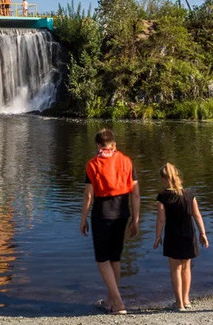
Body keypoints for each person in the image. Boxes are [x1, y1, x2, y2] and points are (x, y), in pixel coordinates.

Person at [80, 129, 140, 315]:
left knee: (102, 259)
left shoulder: (92, 164)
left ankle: (119, 303)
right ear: (113, 144)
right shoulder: (126, 161)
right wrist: (136, 219)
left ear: (98, 145)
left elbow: (88, 196)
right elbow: (136, 194)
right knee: (115, 258)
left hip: (102, 214)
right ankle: (110, 301)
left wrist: (83, 219)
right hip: (122, 214)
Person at [154, 163, 208, 311]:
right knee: (186, 267)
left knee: (175, 269)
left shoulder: (163, 196)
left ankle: (179, 303)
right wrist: (203, 233)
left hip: (173, 235)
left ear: (164, 179)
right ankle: (186, 300)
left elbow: (160, 219)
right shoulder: (189, 194)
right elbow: (197, 215)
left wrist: (158, 236)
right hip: (189, 234)